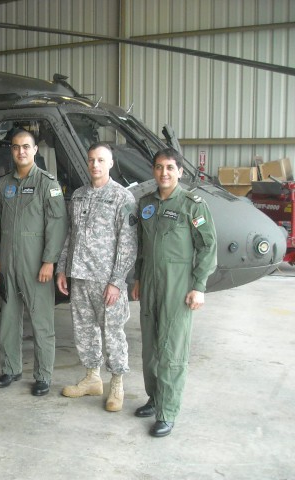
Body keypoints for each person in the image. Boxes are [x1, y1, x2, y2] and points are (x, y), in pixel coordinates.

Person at [132, 148, 217, 437]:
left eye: (170, 167)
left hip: (178, 285)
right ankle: (154, 398)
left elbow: (207, 247)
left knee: (172, 350)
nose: (164, 173)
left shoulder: (192, 205)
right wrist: (139, 278)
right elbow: (143, 246)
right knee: (150, 349)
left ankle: (168, 412)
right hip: (150, 283)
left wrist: (199, 287)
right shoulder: (147, 203)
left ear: (180, 171)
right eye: (159, 167)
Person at [56, 143, 138, 412]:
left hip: (106, 281)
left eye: (101, 160)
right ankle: (92, 378)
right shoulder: (78, 196)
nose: (95, 165)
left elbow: (127, 244)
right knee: (84, 331)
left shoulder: (122, 198)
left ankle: (116, 383)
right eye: (91, 160)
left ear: (111, 164)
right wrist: (62, 268)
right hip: (80, 276)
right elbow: (72, 235)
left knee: (112, 332)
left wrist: (117, 281)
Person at [0, 129, 68, 396]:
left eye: (26, 147)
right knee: (9, 319)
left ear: (35, 150)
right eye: (16, 147)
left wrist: (49, 261)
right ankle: (11, 368)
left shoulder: (48, 184)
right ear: (11, 151)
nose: (21, 152)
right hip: (7, 263)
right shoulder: (3, 184)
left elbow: (57, 225)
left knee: (41, 320)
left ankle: (43, 376)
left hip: (36, 264)